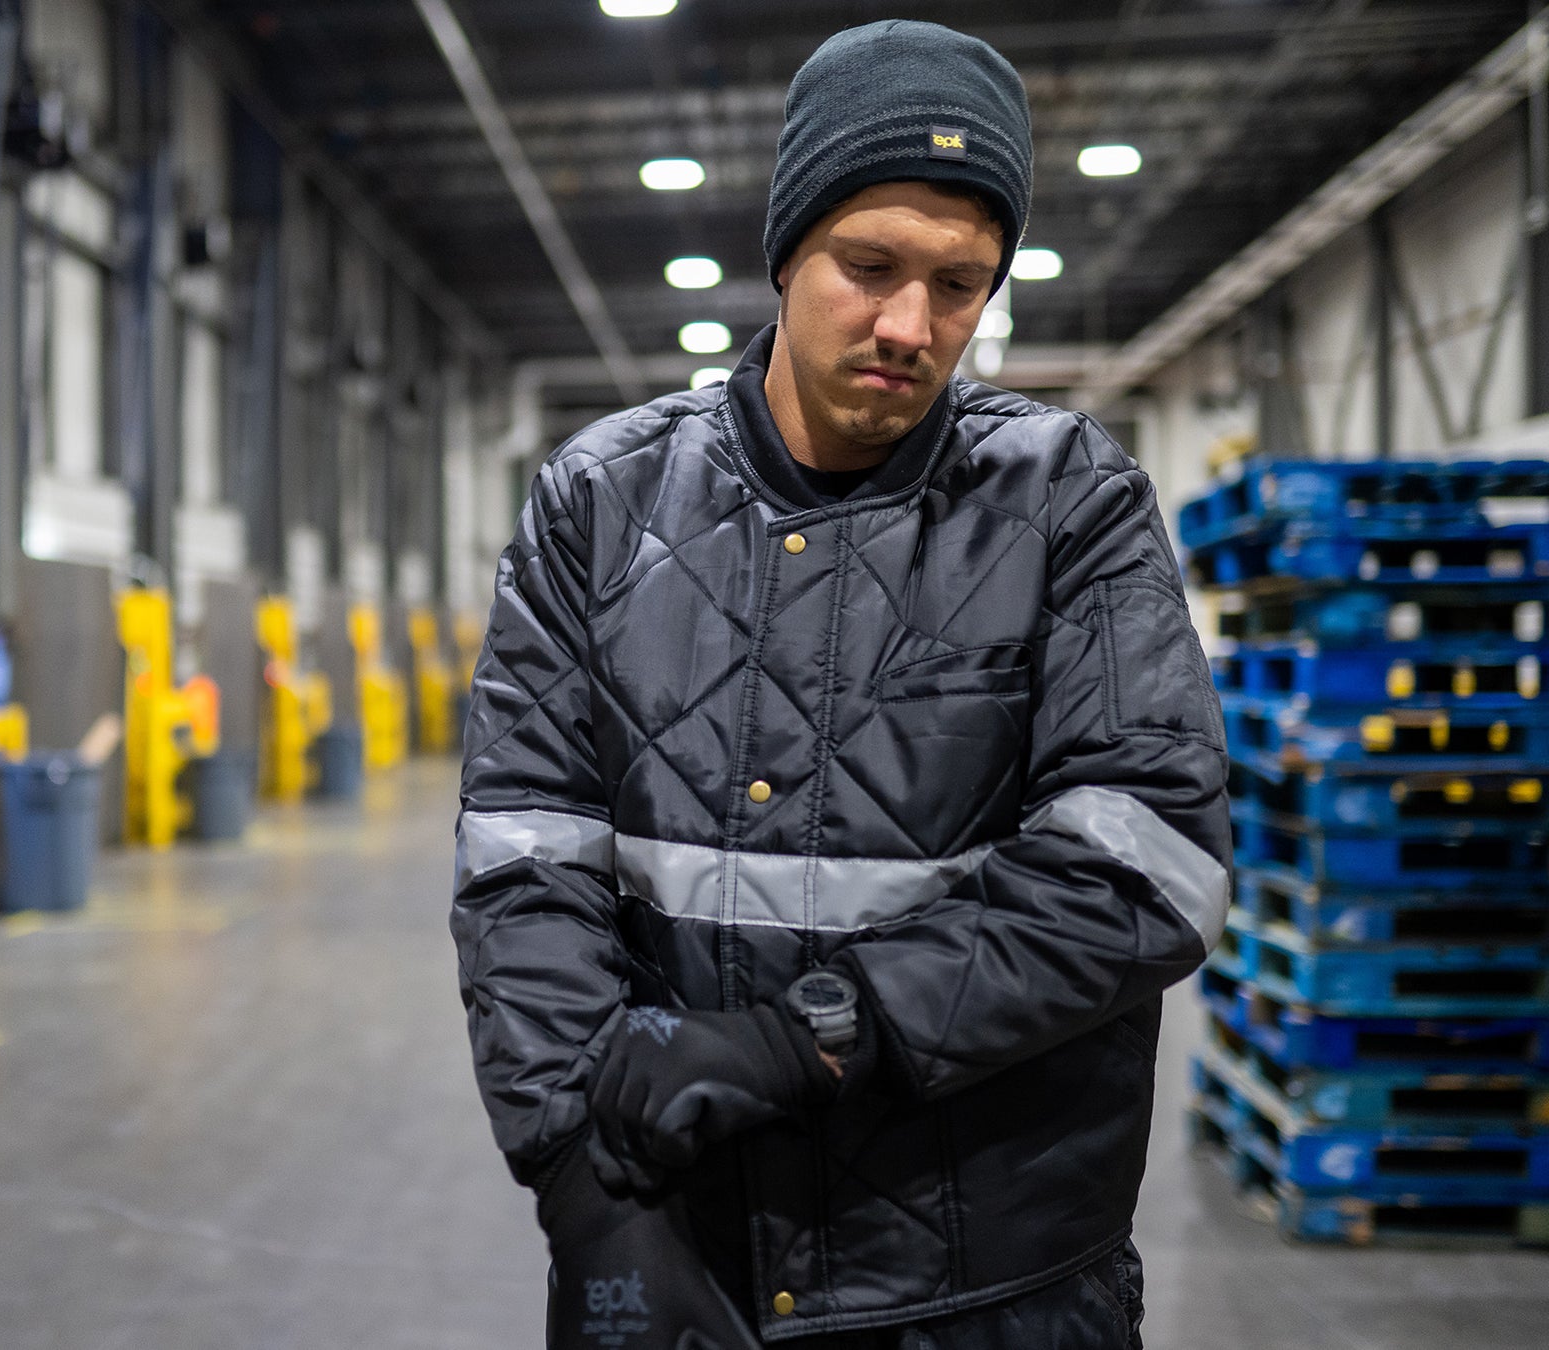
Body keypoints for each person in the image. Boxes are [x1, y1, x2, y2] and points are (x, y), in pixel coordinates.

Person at [452, 19, 1229, 1350]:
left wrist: (814, 1031)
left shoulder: (1068, 501)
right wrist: (586, 1194)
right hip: (688, 1240)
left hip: (992, 1284)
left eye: (960, 285)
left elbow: (1147, 865)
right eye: (869, 268)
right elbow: (526, 866)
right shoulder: (601, 500)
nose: (911, 326)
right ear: (786, 253)